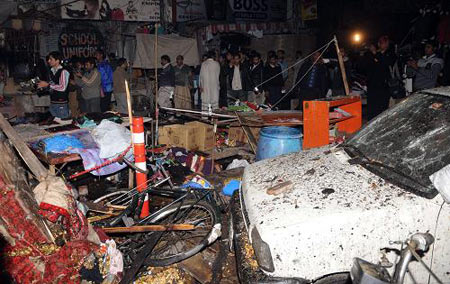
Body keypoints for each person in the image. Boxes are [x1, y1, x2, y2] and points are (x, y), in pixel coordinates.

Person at [366, 36, 396, 120]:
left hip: (383, 86)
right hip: (372, 85)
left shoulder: (391, 54)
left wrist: (375, 53)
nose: (380, 44)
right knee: (372, 108)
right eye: (379, 42)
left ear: (387, 43)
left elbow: (385, 64)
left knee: (381, 109)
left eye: (382, 42)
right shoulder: (374, 54)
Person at [37, 51, 70, 119]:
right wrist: (42, 87)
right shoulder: (50, 72)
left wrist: (47, 85)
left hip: (61, 104)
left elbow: (62, 87)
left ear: (57, 61)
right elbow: (52, 85)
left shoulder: (63, 72)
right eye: (48, 59)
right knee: (54, 124)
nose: (48, 61)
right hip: (53, 103)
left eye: (51, 59)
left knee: (63, 125)